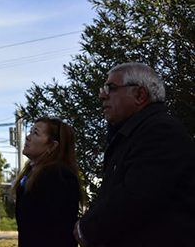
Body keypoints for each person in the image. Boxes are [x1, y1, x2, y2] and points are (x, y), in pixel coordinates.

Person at [74, 62, 195, 247]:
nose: (102, 95)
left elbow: (136, 197)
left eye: (111, 88)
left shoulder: (160, 131)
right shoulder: (132, 135)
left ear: (139, 94)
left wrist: (87, 228)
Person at [13, 117, 83, 246]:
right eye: (31, 132)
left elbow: (58, 231)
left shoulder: (59, 177)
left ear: (52, 145)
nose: (28, 137)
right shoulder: (32, 174)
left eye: (36, 133)